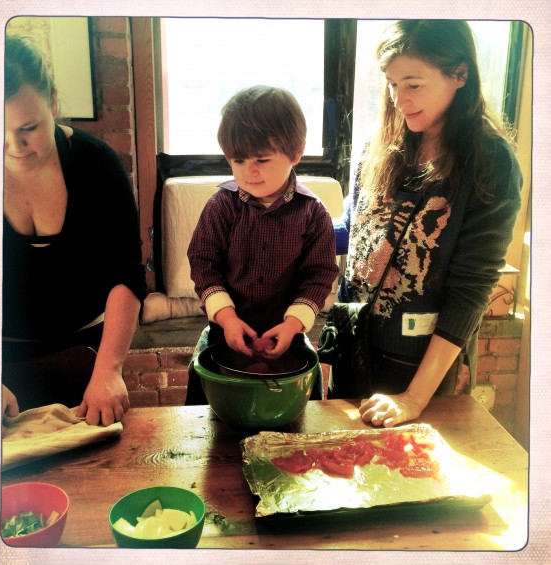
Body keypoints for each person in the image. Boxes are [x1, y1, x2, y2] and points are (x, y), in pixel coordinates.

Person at [333, 20, 522, 428]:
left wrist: (413, 399)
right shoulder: (379, 144)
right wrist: (288, 221)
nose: (399, 99)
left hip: (419, 371)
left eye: (413, 84)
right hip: (351, 344)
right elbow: (354, 228)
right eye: (391, 83)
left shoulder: (491, 163)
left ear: (460, 74)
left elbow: (470, 293)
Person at [3, 35, 147, 426]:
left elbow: (126, 272)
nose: (13, 146)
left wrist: (109, 370)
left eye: (28, 127)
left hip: (88, 358)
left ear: (53, 101)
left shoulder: (97, 163)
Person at [185, 85, 339, 404]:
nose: (249, 172)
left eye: (262, 159)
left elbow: (320, 275)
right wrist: (226, 318)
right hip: (223, 333)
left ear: (295, 153)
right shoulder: (221, 206)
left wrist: (293, 323)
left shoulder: (313, 214)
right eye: (238, 160)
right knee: (204, 410)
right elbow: (203, 263)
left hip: (288, 336)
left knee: (303, 408)